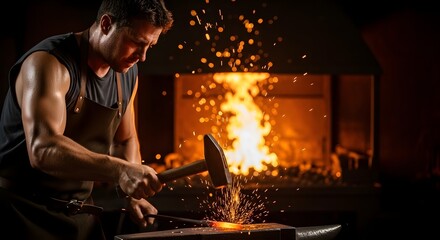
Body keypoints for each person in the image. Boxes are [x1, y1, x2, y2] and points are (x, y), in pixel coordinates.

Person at [0, 0, 173, 239]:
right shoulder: (48, 63)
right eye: (137, 42)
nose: (142, 57)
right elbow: (43, 148)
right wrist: (121, 171)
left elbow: (125, 140)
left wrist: (133, 195)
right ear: (105, 24)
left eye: (150, 46)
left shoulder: (126, 74)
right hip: (22, 214)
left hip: (80, 216)